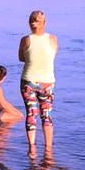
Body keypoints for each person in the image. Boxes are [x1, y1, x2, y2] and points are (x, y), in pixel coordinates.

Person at [19, 10, 57, 156]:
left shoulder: (25, 40)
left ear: (30, 23)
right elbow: (52, 56)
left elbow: (21, 58)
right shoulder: (53, 39)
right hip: (47, 82)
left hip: (28, 80)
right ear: (44, 23)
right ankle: (48, 150)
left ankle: (32, 148)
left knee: (31, 114)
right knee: (46, 115)